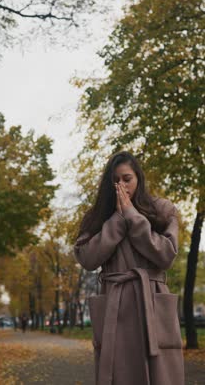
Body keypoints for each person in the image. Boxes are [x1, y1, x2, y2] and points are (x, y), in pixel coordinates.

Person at [73, 151, 185, 385]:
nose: (121, 186)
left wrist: (132, 217)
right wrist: (116, 221)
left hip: (151, 302)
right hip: (116, 303)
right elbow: (87, 258)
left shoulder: (162, 210)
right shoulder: (97, 217)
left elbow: (166, 255)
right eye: (115, 181)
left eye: (127, 179)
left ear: (138, 179)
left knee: (161, 375)